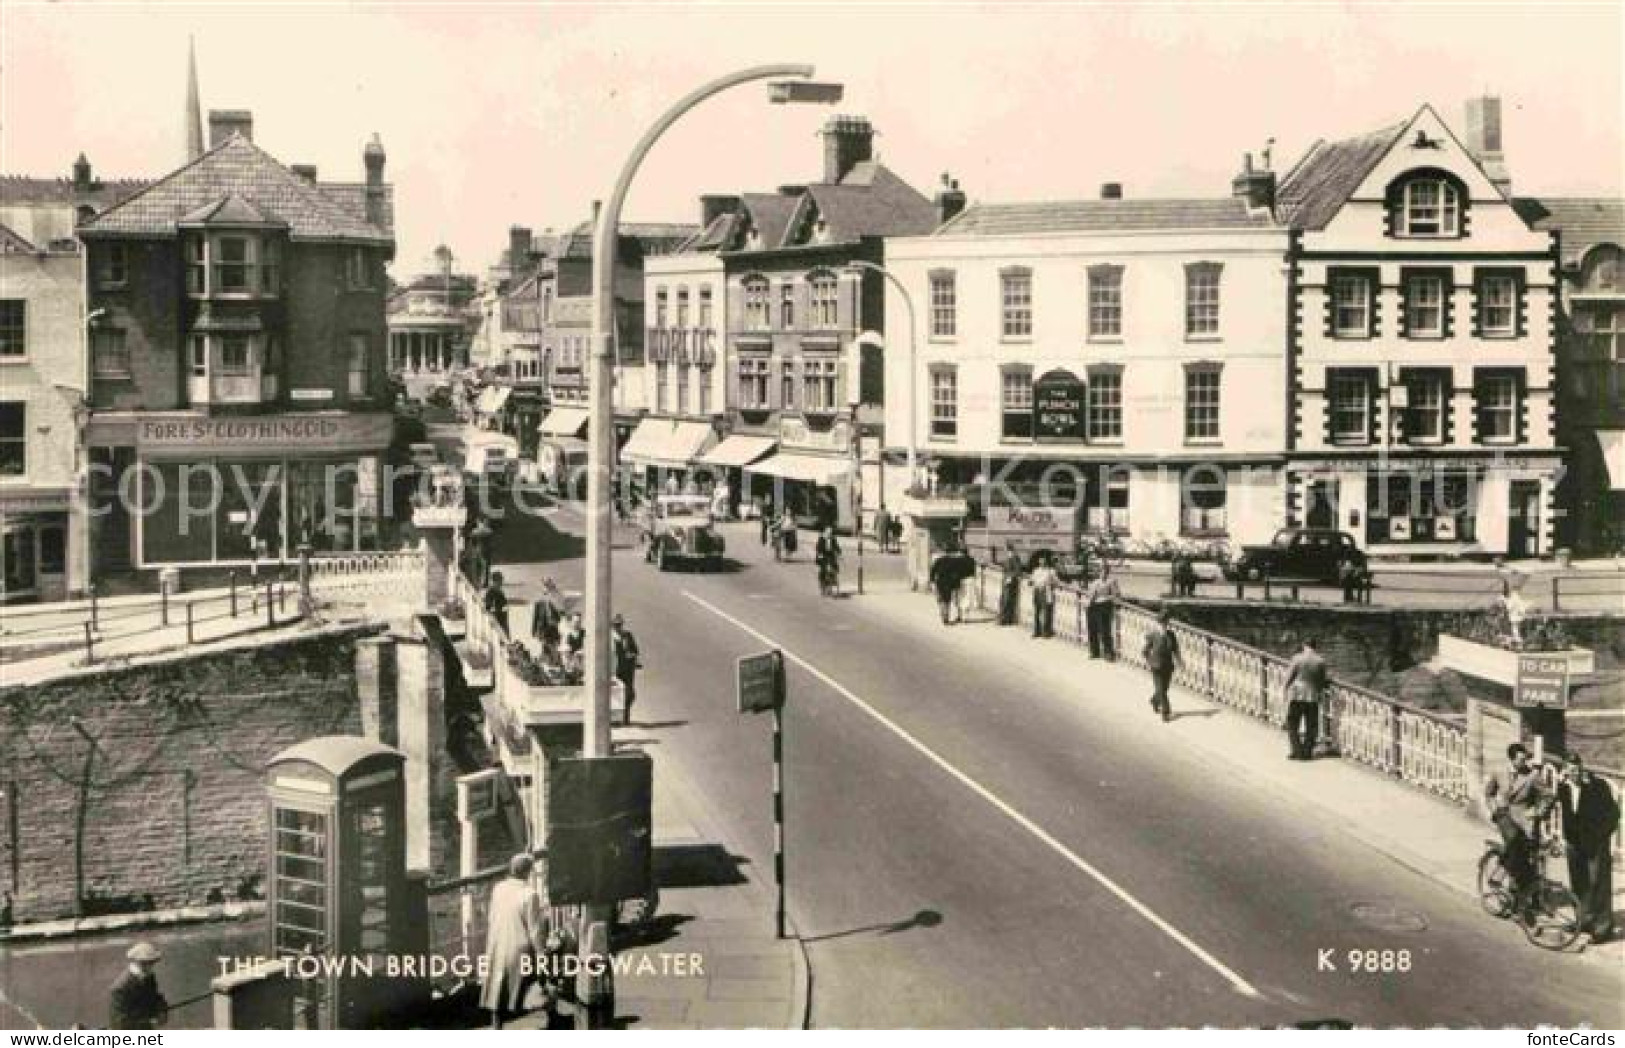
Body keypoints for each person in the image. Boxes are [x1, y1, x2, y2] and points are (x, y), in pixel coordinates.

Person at [481, 854, 552, 1029]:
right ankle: (552, 1019)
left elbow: (492, 917)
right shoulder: (530, 894)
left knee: (497, 991)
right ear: (528, 872)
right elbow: (535, 931)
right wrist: (542, 955)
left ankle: (496, 1027)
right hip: (520, 949)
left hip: (498, 944)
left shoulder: (498, 888)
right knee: (544, 982)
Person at [1484, 743, 1550, 917]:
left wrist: (1537, 811)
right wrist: (1493, 810)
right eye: (1521, 759)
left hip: (1525, 821)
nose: (1525, 762)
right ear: (1512, 759)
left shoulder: (1532, 776)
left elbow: (1547, 796)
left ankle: (1522, 899)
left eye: (1526, 759)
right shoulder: (1499, 771)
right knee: (1514, 839)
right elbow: (1489, 793)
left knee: (1529, 858)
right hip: (1505, 817)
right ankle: (1500, 874)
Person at [1559, 752, 1619, 942]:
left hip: (1595, 844)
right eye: (1569, 769)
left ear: (1581, 767)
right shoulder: (1563, 788)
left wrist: (1602, 836)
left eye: (1576, 768)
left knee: (1598, 884)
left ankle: (1603, 928)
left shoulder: (1597, 786)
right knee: (1579, 883)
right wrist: (1565, 838)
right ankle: (1583, 920)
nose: (1573, 773)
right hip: (1574, 844)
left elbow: (1614, 813)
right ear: (1565, 771)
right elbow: (1565, 814)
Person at [1282, 637, 1329, 760]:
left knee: (1292, 724)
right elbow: (1322, 681)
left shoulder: (1297, 658)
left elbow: (1289, 677)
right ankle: (1307, 752)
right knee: (1311, 725)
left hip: (1297, 695)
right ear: (1315, 646)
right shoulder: (1321, 661)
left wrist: (1284, 690)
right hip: (1313, 696)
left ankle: (1297, 751)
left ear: (1304, 645)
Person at [109, 942, 168, 1030]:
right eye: (149, 962)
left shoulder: (149, 976)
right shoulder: (120, 988)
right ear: (140, 962)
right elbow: (119, 1022)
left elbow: (155, 997)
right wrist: (149, 1022)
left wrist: (162, 1010)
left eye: (153, 962)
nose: (152, 965)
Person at [1142, 609, 1182, 722]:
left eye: (1165, 623)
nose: (1163, 625)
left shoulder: (1171, 635)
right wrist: (1150, 662)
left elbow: (1175, 650)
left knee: (1164, 688)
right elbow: (1144, 651)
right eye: (1161, 623)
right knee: (1161, 689)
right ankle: (1166, 712)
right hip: (1156, 666)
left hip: (1168, 666)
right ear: (1158, 623)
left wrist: (1180, 662)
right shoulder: (1153, 635)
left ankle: (1154, 701)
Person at [612, 614, 642, 726]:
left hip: (628, 668)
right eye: (616, 625)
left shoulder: (627, 635)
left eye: (619, 625)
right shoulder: (609, 638)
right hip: (615, 669)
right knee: (615, 693)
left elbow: (635, 650)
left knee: (629, 694)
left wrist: (633, 657)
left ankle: (625, 716)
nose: (618, 627)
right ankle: (615, 719)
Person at [1087, 564, 1121, 659]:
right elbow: (1090, 595)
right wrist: (1089, 603)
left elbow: (1117, 594)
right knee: (1092, 630)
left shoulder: (1112, 582)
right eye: (1102, 571)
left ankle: (1108, 653)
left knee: (1105, 630)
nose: (1103, 573)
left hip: (1104, 607)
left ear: (1108, 572)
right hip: (1093, 606)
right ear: (1099, 572)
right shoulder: (1095, 582)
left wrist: (1106, 597)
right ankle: (1094, 652)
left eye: (1105, 571)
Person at [929, 546, 963, 625]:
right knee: (947, 601)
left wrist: (932, 581)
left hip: (940, 582)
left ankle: (943, 614)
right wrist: (957, 584)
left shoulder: (938, 560)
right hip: (949, 583)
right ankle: (946, 617)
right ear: (952, 553)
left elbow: (933, 571)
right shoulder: (954, 562)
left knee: (941, 600)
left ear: (944, 552)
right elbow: (957, 574)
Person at [1029, 553, 1058, 638]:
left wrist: (1051, 585)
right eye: (1040, 561)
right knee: (1037, 612)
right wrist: (1031, 582)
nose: (1042, 563)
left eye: (1043, 561)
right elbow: (1031, 580)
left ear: (1046, 562)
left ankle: (1046, 632)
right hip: (1037, 591)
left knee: (1046, 613)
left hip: (1046, 592)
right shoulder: (1036, 571)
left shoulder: (1051, 571)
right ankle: (1037, 631)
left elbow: (1056, 581)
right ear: (1038, 562)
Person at [530, 578, 561, 654]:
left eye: (548, 591)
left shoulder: (555, 601)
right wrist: (533, 631)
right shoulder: (538, 603)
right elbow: (535, 617)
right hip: (543, 629)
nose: (546, 594)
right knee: (545, 647)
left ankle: (554, 660)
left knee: (554, 647)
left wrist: (556, 620)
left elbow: (559, 615)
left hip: (553, 628)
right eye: (545, 592)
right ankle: (546, 658)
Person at [997, 543, 1024, 627]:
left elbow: (1018, 571)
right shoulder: (1009, 558)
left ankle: (1005, 619)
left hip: (1010, 583)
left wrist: (1010, 577)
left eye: (1005, 549)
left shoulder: (1014, 558)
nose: (1004, 551)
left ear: (1009, 549)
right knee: (1004, 600)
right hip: (1006, 582)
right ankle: (1005, 619)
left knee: (1007, 601)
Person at [815, 527, 843, 596]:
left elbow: (837, 547)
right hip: (823, 555)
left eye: (830, 533)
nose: (829, 535)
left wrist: (839, 553)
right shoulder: (821, 539)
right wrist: (819, 554)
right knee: (823, 570)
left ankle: (833, 580)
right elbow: (818, 547)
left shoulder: (833, 539)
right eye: (828, 533)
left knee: (834, 567)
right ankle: (822, 584)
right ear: (825, 532)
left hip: (831, 555)